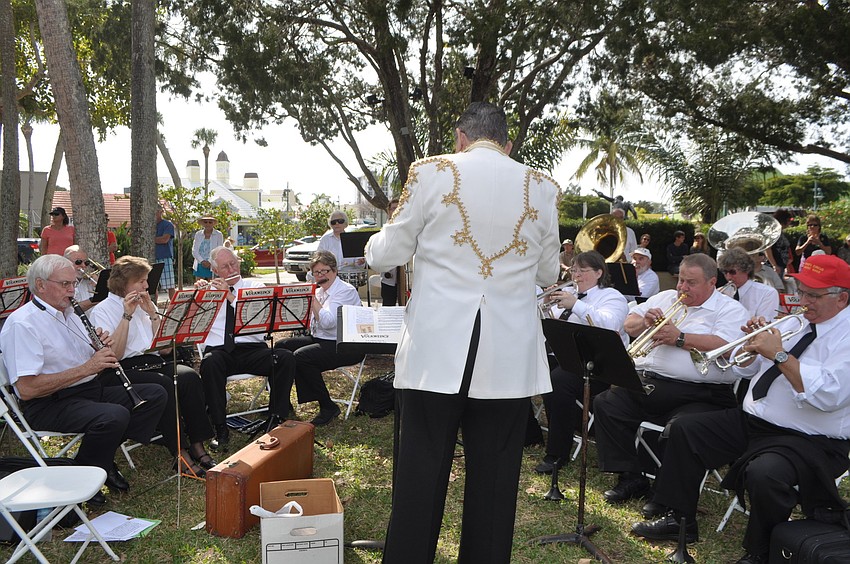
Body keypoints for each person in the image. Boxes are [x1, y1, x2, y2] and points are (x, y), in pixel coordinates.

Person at [365, 102, 560, 562]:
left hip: (437, 347)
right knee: (495, 479)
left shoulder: (431, 171)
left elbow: (382, 255)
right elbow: (549, 272)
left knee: (420, 471)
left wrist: (379, 235)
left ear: (460, 138)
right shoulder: (542, 187)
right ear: (508, 144)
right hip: (508, 349)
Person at [631, 254, 850, 564]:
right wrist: (750, 350)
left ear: (841, 298)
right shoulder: (795, 322)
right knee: (685, 429)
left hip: (810, 440)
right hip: (755, 421)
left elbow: (829, 395)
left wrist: (779, 356)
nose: (804, 301)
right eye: (801, 292)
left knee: (765, 474)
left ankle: (759, 552)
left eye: (813, 295)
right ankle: (679, 517)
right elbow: (747, 372)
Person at [0, 255, 166, 504]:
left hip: (86, 390)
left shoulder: (71, 314)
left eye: (74, 284)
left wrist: (98, 347)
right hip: (50, 403)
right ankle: (87, 474)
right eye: (65, 284)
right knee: (113, 416)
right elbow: (27, 389)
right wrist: (88, 367)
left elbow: (85, 360)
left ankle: (98, 457)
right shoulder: (23, 324)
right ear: (41, 285)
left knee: (154, 395)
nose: (72, 290)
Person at [593, 253, 749, 512]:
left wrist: (680, 338)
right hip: (649, 384)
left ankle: (665, 494)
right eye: (680, 281)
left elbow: (726, 345)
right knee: (607, 403)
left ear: (712, 283)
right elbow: (628, 323)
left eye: (691, 283)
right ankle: (631, 477)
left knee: (682, 429)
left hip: (700, 394)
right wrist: (644, 322)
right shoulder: (665, 298)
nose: (682, 288)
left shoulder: (730, 309)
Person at [90, 256, 217, 477]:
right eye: (141, 281)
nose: (147, 286)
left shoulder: (143, 304)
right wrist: (127, 315)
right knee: (165, 384)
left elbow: (165, 350)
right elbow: (115, 355)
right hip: (122, 369)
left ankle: (198, 444)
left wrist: (151, 313)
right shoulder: (102, 310)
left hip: (152, 362)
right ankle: (179, 453)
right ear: (125, 283)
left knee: (188, 377)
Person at [534, 251, 629, 474]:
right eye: (573, 270)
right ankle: (529, 434)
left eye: (582, 271)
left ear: (599, 273)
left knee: (557, 382)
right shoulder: (568, 293)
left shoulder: (612, 296)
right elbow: (552, 329)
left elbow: (610, 325)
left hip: (598, 366)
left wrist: (576, 304)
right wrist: (545, 306)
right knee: (529, 368)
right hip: (566, 359)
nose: (576, 275)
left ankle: (557, 453)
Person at [198, 246, 295, 450]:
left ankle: (276, 419)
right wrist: (199, 297)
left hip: (252, 348)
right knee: (209, 363)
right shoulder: (207, 291)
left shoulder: (254, 285)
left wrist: (230, 297)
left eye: (234, 263)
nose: (231, 269)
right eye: (225, 267)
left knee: (284, 356)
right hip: (220, 351)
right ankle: (220, 427)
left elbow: (259, 315)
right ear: (215, 271)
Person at [274, 251, 365, 426]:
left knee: (301, 357)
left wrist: (312, 298)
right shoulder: (321, 291)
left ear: (335, 271)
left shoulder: (345, 291)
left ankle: (328, 406)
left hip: (348, 344)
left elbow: (329, 322)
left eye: (325, 271)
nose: (321, 276)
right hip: (323, 339)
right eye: (317, 273)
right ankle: (281, 403)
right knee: (281, 347)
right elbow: (312, 324)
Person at [717, 248, 780, 321]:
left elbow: (765, 324)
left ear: (746, 270)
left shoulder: (767, 293)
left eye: (732, 272)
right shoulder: (721, 293)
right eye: (725, 272)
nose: (728, 277)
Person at [63, 245, 98, 311]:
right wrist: (96, 299)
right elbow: (70, 310)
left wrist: (100, 286)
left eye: (86, 262)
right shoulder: (61, 283)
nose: (83, 265)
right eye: (78, 262)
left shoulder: (91, 281)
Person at [380, 199, 401, 306]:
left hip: (406, 276)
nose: (396, 211)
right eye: (393, 208)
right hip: (389, 277)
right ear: (389, 211)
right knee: (388, 306)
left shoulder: (409, 227)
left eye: (399, 208)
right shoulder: (384, 230)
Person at [192, 215, 224, 281]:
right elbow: (194, 250)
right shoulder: (198, 234)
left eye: (210, 222)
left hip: (212, 263)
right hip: (200, 263)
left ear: (213, 223)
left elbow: (219, 250)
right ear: (203, 223)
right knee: (199, 285)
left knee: (212, 284)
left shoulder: (218, 234)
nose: (208, 224)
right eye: (206, 222)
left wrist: (210, 262)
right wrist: (202, 261)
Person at [155, 205, 177, 298]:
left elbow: (165, 239)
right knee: (153, 285)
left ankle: (173, 306)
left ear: (161, 212)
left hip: (165, 257)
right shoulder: (148, 225)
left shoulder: (168, 225)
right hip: (153, 257)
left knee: (170, 285)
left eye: (156, 211)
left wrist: (150, 239)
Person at [765, 209, 792, 280]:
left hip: (781, 264)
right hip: (775, 266)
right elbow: (768, 249)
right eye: (789, 220)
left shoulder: (781, 232)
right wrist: (774, 265)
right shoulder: (773, 232)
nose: (789, 223)